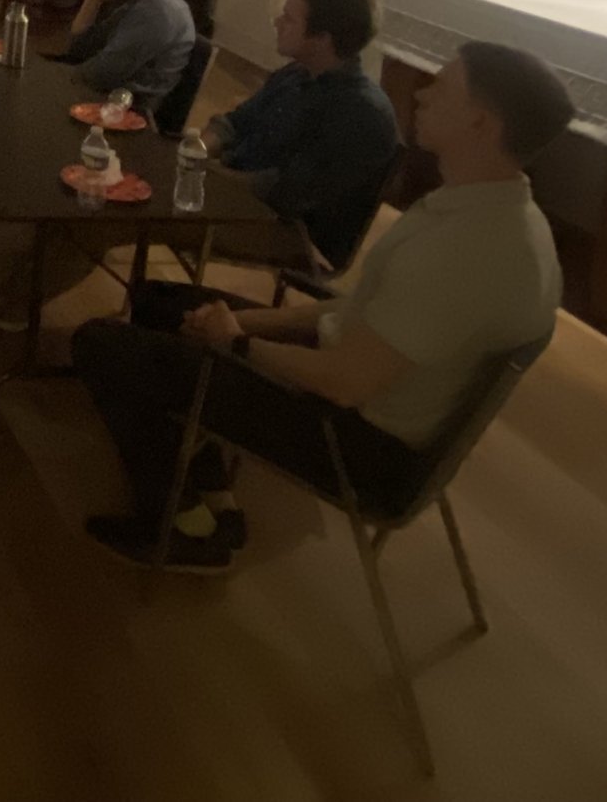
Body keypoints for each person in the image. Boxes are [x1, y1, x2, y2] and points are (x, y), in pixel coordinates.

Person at [73, 42, 571, 572]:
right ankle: (205, 483)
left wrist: (237, 341)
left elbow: (344, 383)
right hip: (357, 385)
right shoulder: (495, 211)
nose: (423, 95)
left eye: (442, 87)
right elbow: (356, 311)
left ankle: (184, 529)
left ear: (480, 122)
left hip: (355, 444)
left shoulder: (468, 252)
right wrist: (240, 321)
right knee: (160, 302)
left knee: (102, 345)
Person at [200, 0, 399, 270]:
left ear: (323, 39)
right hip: (238, 197)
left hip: (287, 232)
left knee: (146, 213)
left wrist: (206, 176)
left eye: (289, 19)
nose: (277, 22)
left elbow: (283, 192)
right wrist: (198, 149)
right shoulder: (297, 73)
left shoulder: (360, 112)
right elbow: (236, 123)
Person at [54, 0, 196, 110]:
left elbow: (100, 75)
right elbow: (80, 47)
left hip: (128, 108)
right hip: (110, 95)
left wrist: (55, 75)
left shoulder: (156, 13)